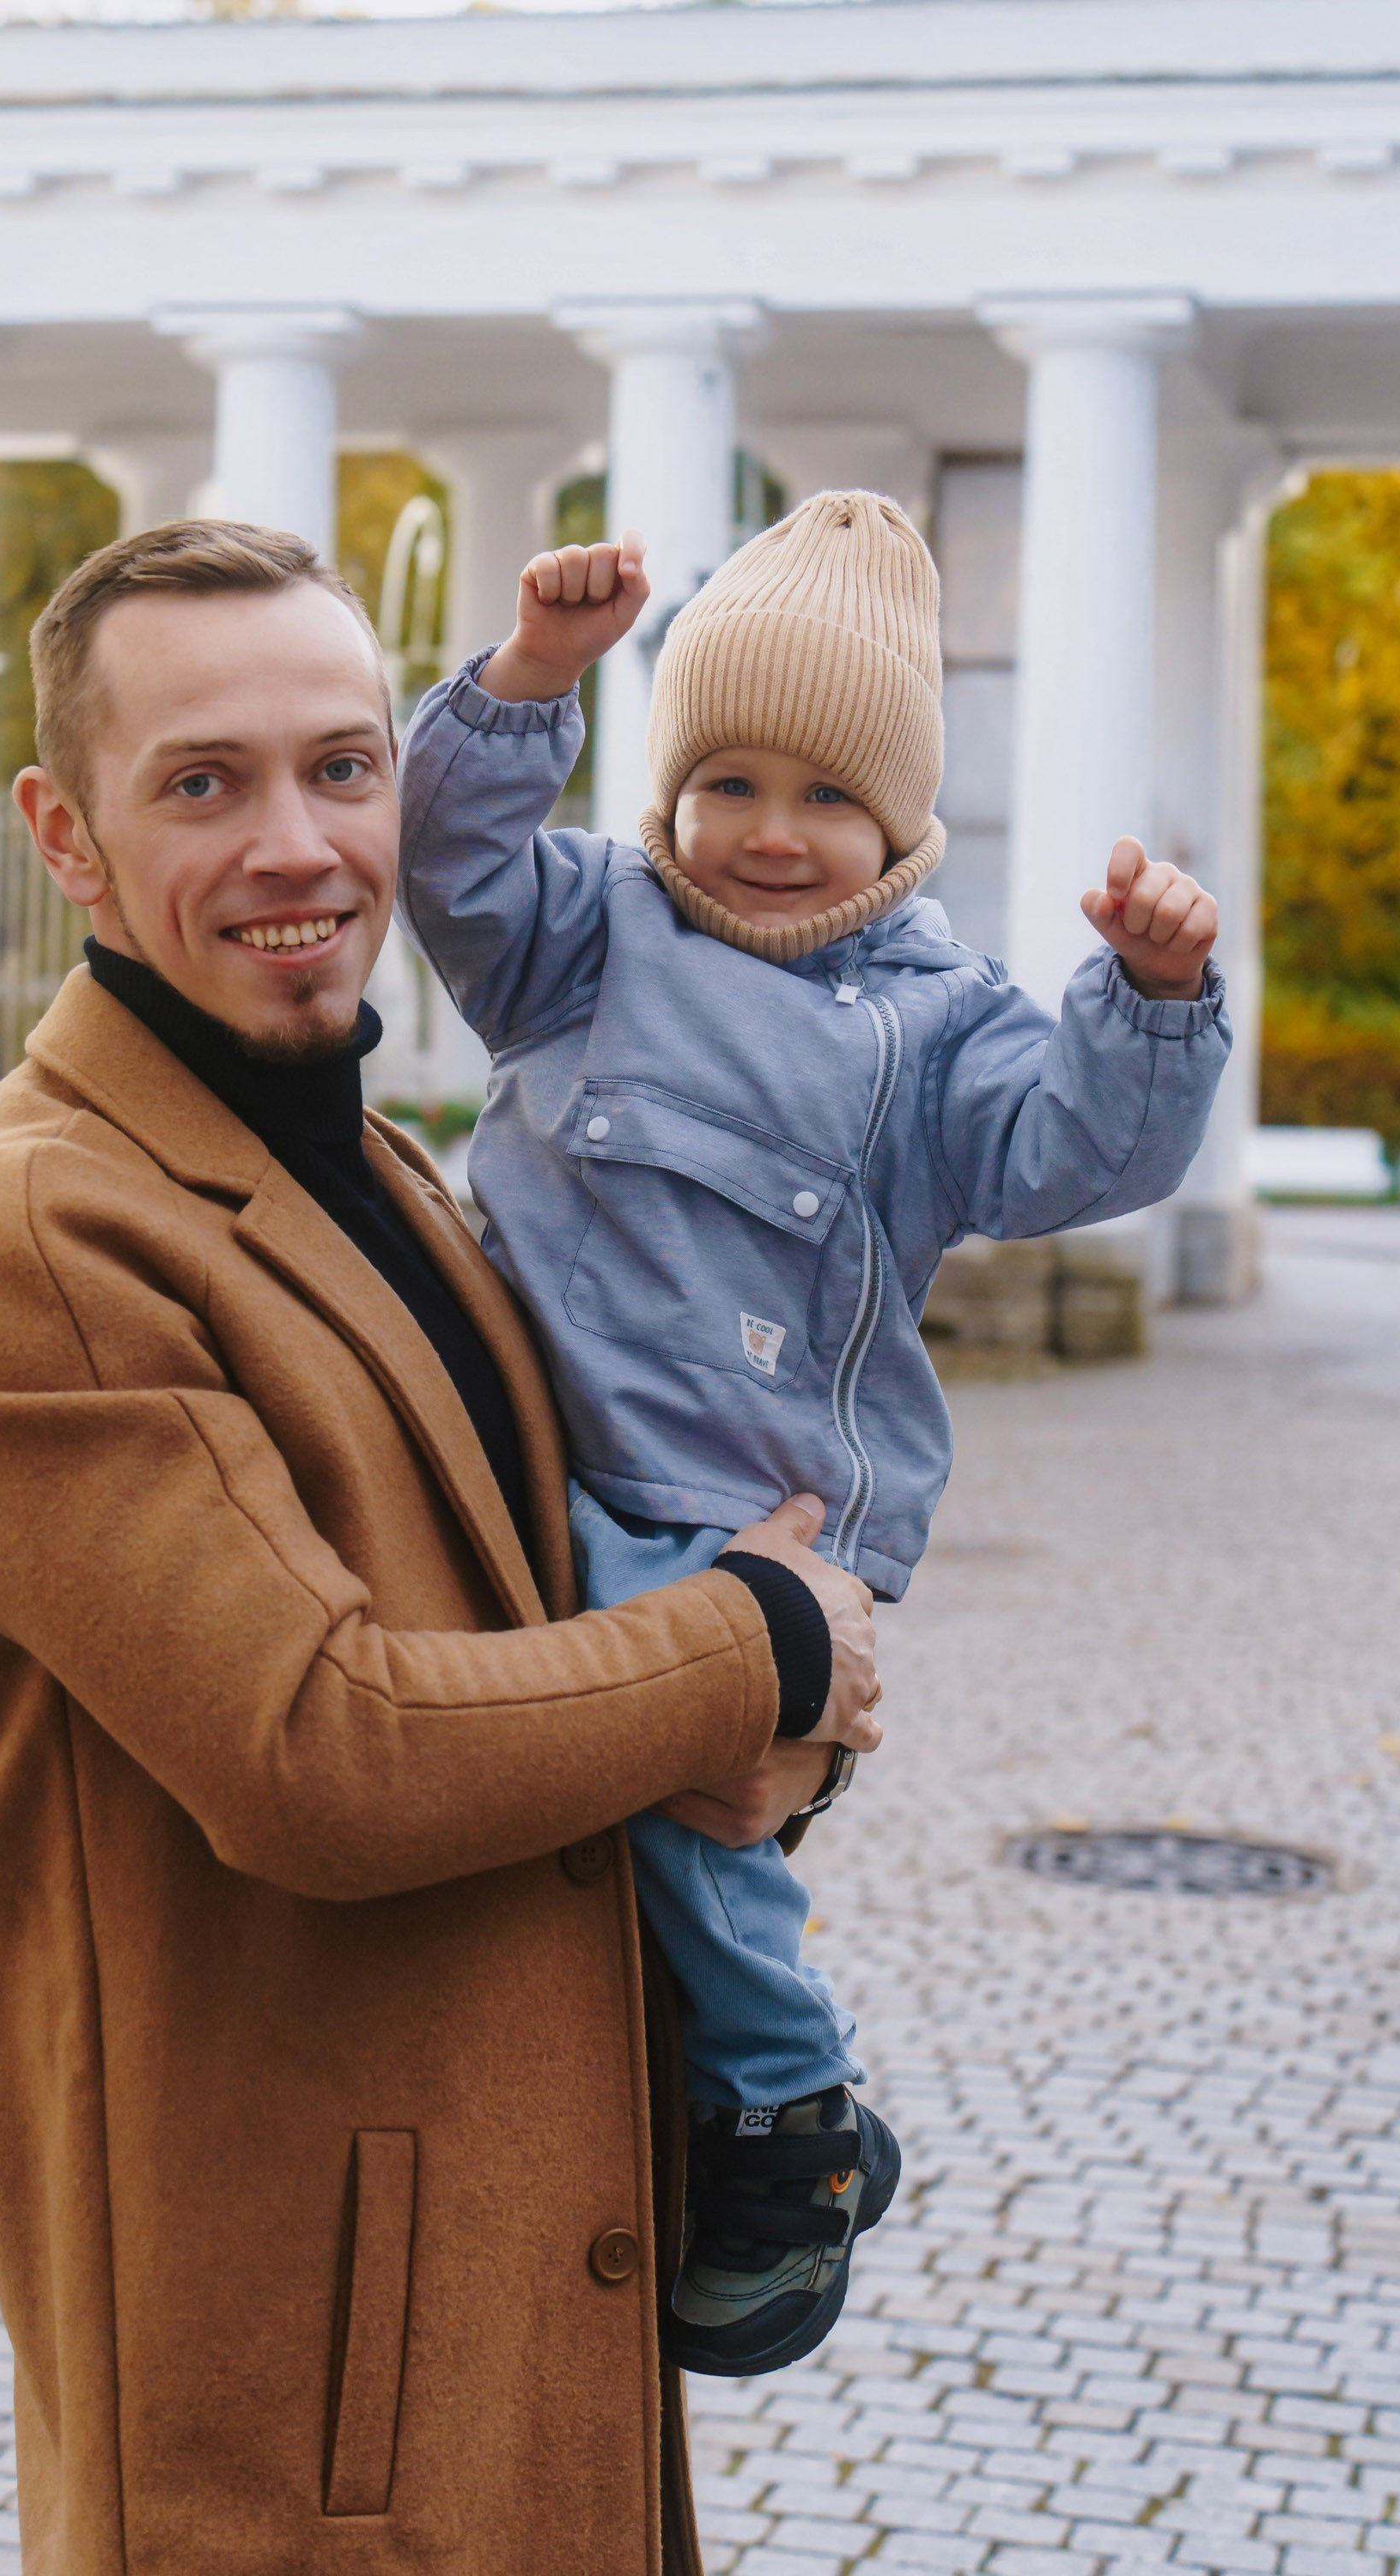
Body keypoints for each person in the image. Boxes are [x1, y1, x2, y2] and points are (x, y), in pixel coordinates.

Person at [0, 518, 885, 2576]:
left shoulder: (392, 1177)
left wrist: (777, 1735)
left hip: (520, 2329)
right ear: (65, 833)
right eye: (202, 783)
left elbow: (558, 1638)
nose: (297, 846)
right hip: (298, 2422)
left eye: (342, 766)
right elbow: (322, 1752)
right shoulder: (31, 1236)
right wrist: (758, 1645)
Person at [396, 489, 1233, 2378]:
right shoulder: (585, 941)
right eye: (729, 784)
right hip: (543, 1458)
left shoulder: (940, 1031)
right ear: (670, 791)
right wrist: (534, 676)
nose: (770, 835)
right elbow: (437, 859)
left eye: (825, 797)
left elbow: (1074, 1151)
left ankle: (782, 2109)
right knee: (590, 1825)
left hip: (732, 1510)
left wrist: (1154, 998)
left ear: (903, 825)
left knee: (694, 1822)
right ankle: (759, 2110)